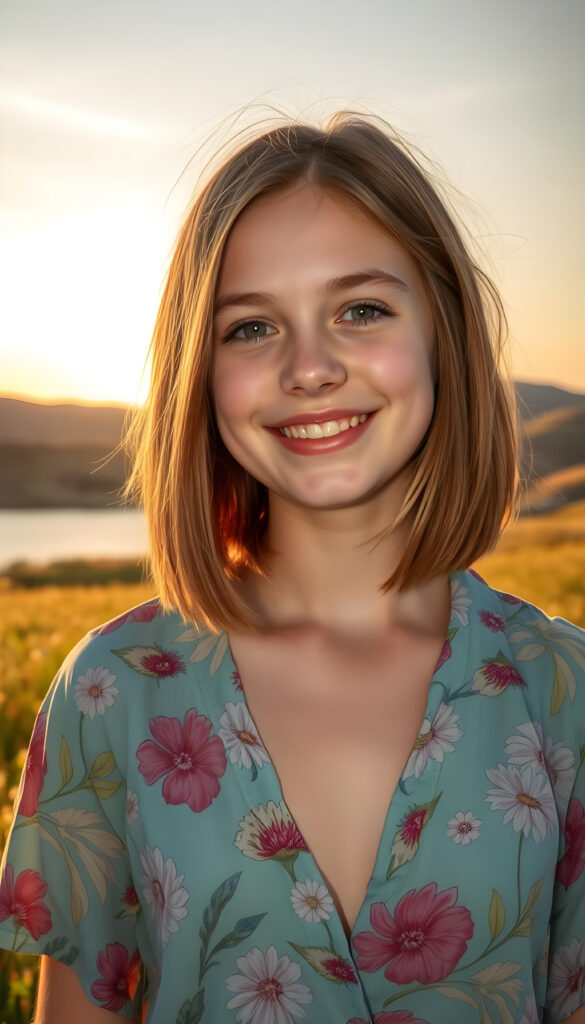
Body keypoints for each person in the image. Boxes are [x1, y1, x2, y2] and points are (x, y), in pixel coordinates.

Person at [0, 112, 584, 1024]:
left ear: (444, 331)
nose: (309, 367)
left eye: (360, 310)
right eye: (250, 327)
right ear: (199, 371)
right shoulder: (111, 693)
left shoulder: (563, 689)